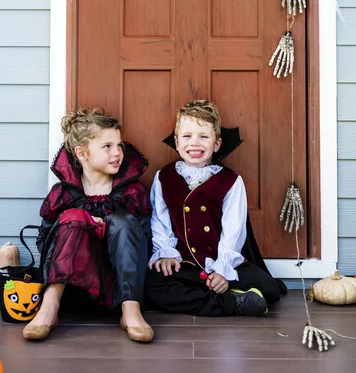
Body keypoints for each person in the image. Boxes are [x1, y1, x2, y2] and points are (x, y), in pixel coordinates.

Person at [23, 107, 154, 342]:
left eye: (119, 145)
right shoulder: (64, 194)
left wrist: (107, 228)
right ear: (81, 153)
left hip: (119, 284)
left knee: (123, 221)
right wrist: (84, 223)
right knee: (73, 217)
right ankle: (49, 307)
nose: (117, 153)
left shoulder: (130, 191)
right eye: (107, 146)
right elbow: (45, 241)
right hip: (75, 283)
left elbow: (143, 237)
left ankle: (131, 311)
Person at [145, 100, 282, 317]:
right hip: (184, 263)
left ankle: (219, 293)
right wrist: (166, 254)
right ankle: (232, 303)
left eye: (204, 137)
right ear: (177, 142)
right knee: (152, 284)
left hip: (222, 261)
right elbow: (160, 221)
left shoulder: (230, 181)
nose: (195, 143)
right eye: (187, 136)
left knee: (270, 289)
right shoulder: (164, 177)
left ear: (216, 144)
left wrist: (223, 271)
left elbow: (234, 230)